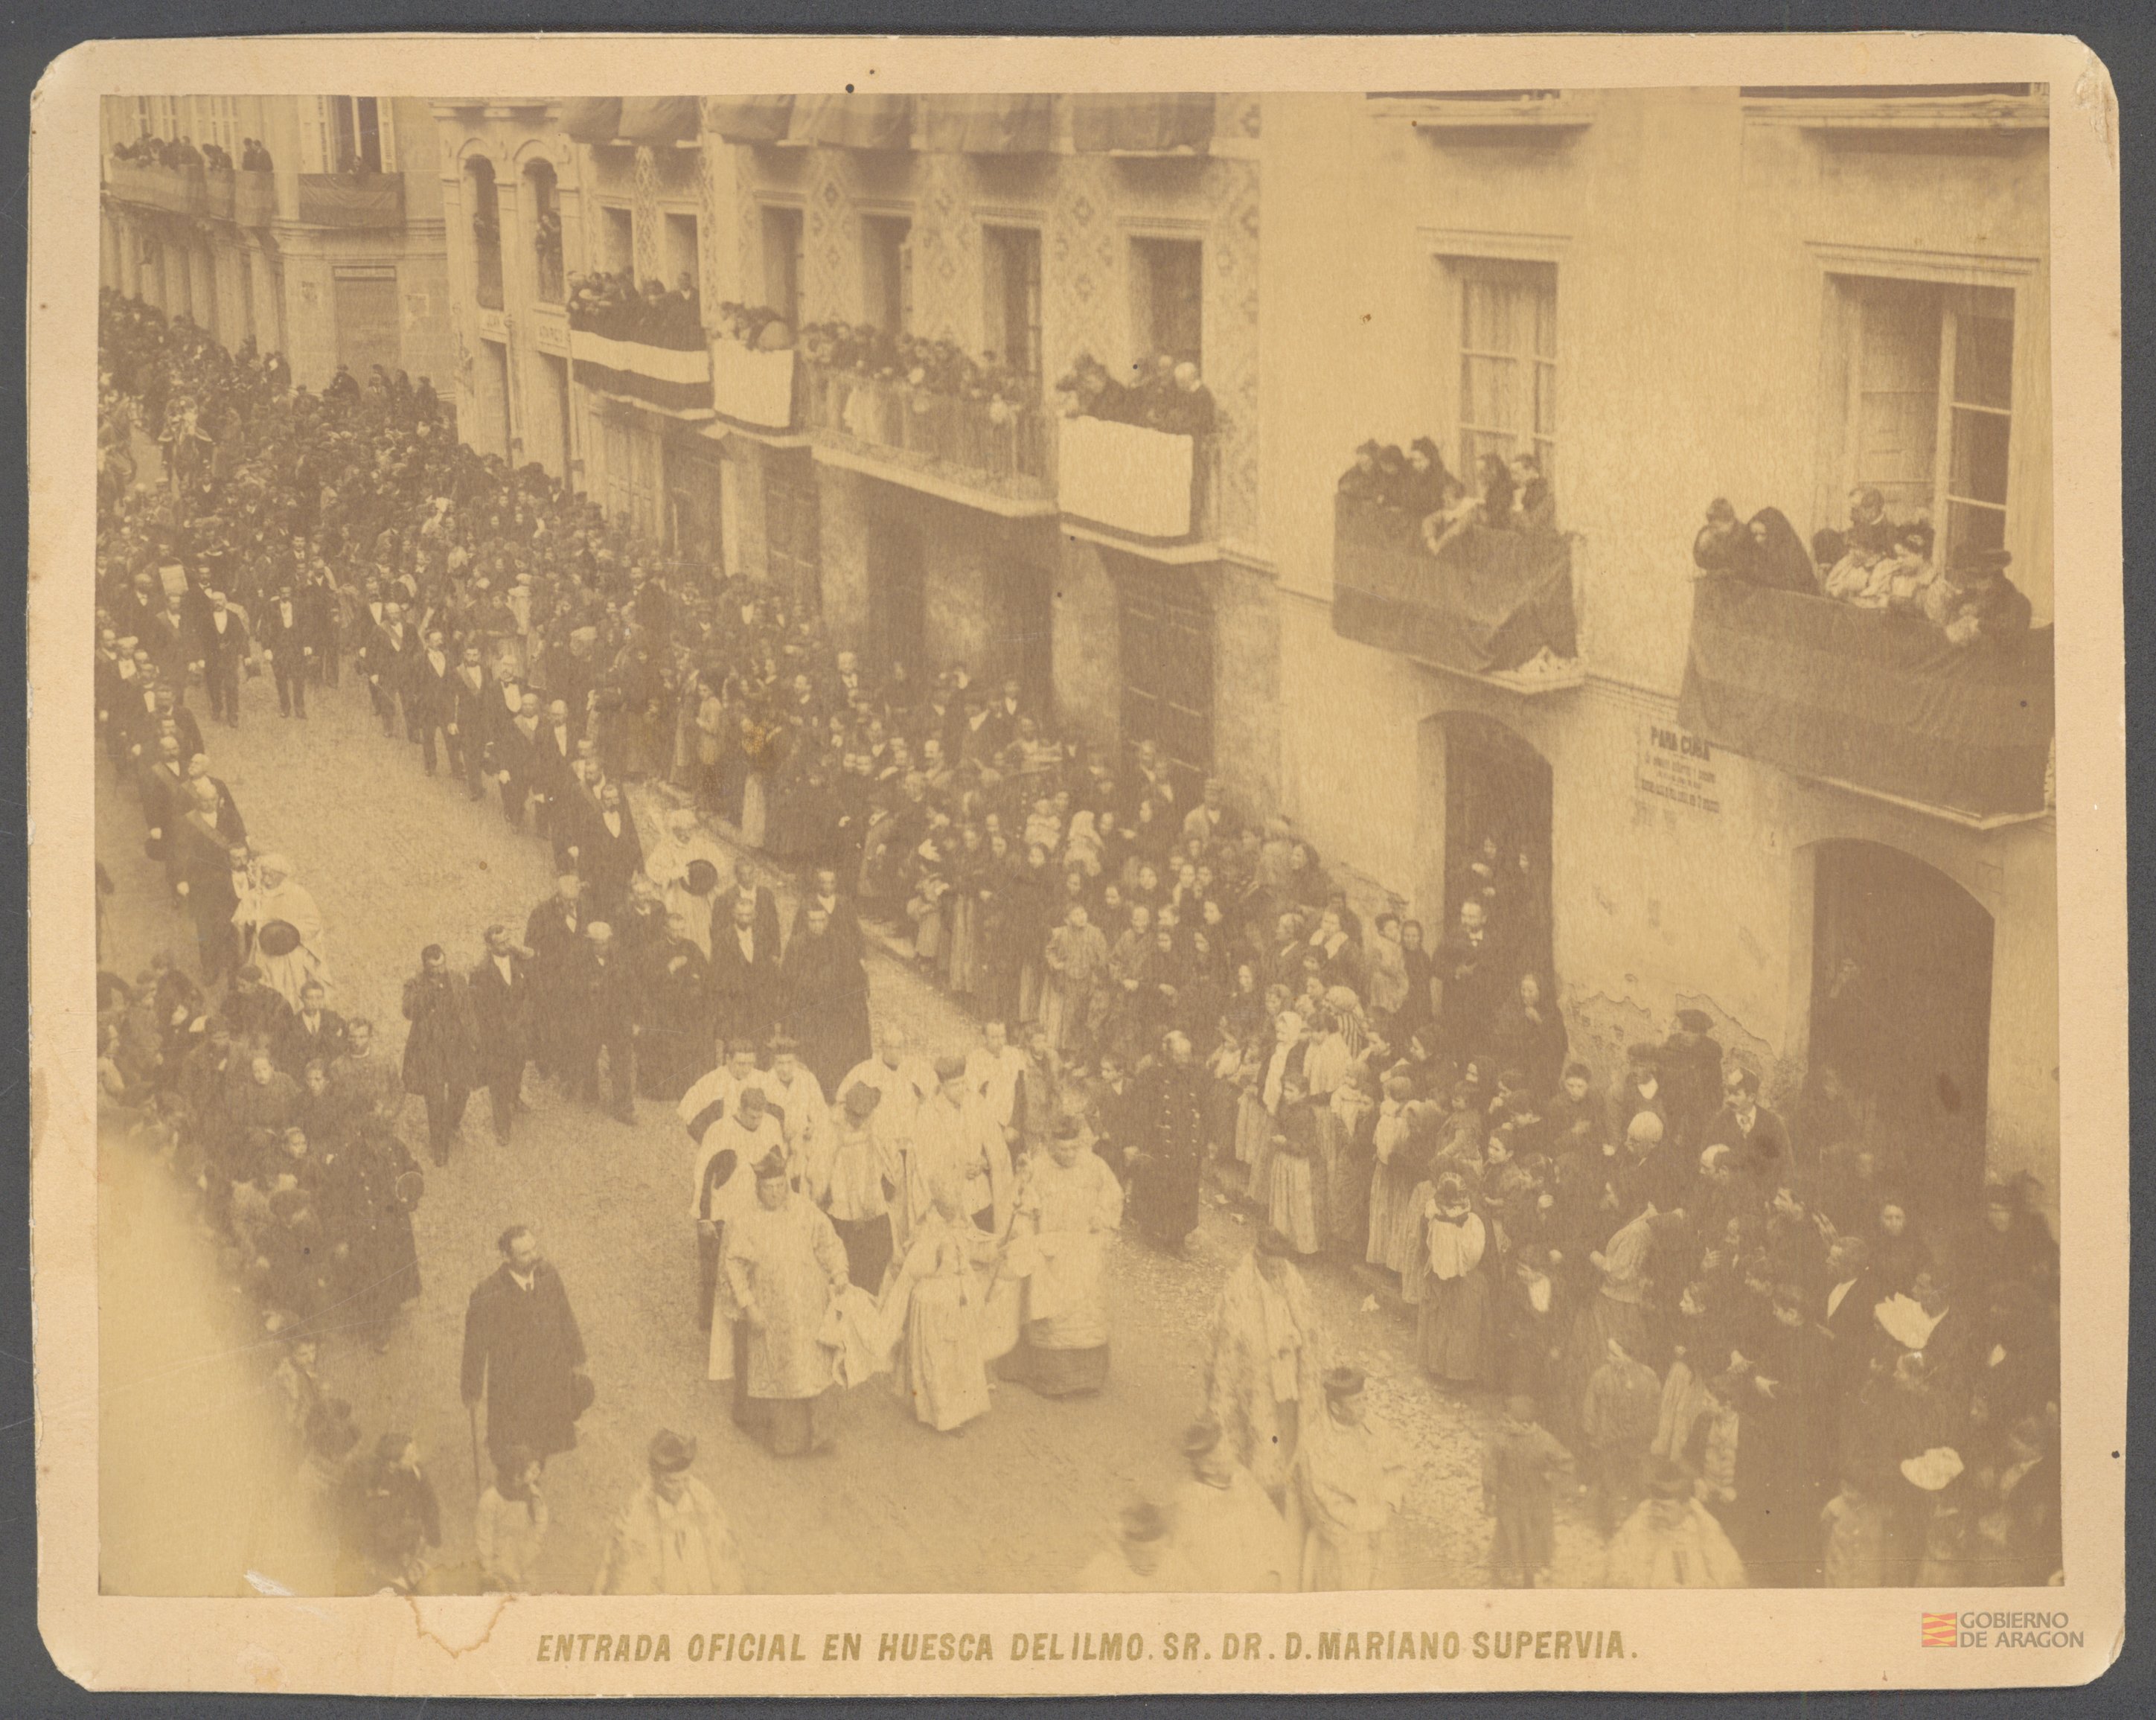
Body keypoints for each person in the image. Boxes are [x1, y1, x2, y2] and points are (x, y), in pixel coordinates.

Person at [720, 1148, 851, 1456]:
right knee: (784, 1375)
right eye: (769, 1188)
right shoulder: (746, 1222)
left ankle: (822, 1436)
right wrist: (749, 1306)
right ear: (758, 1189)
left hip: (810, 1309)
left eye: (780, 1186)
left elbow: (828, 1243)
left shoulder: (806, 1211)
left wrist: (839, 1272)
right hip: (773, 1314)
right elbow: (734, 1267)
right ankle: (789, 1441)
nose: (775, 1194)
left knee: (817, 1370)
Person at [1001, 1116, 1125, 1397]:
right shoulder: (1039, 1168)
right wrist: (1029, 1241)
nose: (1068, 1155)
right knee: (1051, 1314)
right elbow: (1023, 1211)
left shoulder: (1095, 1166)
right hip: (1049, 1252)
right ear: (1052, 1146)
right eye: (1062, 1149)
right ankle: (1053, 1377)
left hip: (1083, 1248)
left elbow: (1113, 1196)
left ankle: (1088, 1377)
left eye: (1073, 1149)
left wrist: (1101, 1222)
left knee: (1085, 1313)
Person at [459, 1225, 591, 1477]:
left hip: (550, 1376)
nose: (534, 1257)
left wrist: (577, 1357)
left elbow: (565, 1315)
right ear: (506, 1257)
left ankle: (535, 1472)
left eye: (534, 1249)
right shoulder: (487, 1294)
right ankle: (515, 1483)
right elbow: (474, 1346)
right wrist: (471, 1388)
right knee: (515, 1445)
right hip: (513, 1387)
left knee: (544, 1437)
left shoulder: (548, 1275)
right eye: (524, 1254)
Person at [1203, 1227, 1322, 1497]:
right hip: (1258, 1371)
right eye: (1271, 1266)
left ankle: (1286, 1472)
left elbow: (1307, 1321)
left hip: (1286, 1368)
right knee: (1259, 1424)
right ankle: (1260, 1478)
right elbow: (1233, 1332)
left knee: (1286, 1424)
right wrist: (1263, 1349)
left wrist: (1295, 1341)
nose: (1276, 1272)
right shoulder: (1240, 1285)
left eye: (1280, 1266)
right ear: (1259, 1257)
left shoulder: (1291, 1278)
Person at [1283, 1366, 1409, 1590]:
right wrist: (1367, 1524)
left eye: (1364, 1399)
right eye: (1356, 1402)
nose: (1364, 1407)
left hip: (1379, 1520)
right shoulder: (1315, 1443)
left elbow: (1397, 1466)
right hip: (1342, 1536)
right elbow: (1321, 1505)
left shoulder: (1373, 1425)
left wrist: (1389, 1502)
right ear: (1335, 1408)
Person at [892, 1180, 1000, 1435]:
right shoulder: (927, 1231)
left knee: (961, 1353)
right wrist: (941, 1261)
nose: (954, 1212)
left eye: (956, 1206)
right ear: (938, 1206)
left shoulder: (959, 1226)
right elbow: (915, 1268)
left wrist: (993, 1251)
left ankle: (963, 1408)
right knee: (938, 1357)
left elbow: (973, 1252)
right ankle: (943, 1415)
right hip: (934, 1300)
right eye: (948, 1207)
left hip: (956, 1297)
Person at [594, 1430, 746, 1595]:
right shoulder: (636, 1511)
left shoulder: (702, 1500)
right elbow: (629, 1572)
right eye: (672, 1482)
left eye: (685, 1480)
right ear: (656, 1478)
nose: (680, 1488)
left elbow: (723, 1552)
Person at [1169, 1419, 1291, 1592]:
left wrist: (1276, 1571)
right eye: (1222, 1451)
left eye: (1228, 1445)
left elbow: (1273, 1523)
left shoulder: (1241, 1477)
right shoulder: (1193, 1503)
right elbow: (1213, 1569)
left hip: (1274, 1578)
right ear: (1206, 1467)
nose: (1233, 1453)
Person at [1603, 1457, 1747, 1588]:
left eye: (1665, 1508)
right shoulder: (1639, 1524)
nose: (1658, 1513)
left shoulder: (1705, 1529)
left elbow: (1731, 1578)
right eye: (1655, 1505)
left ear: (1686, 1507)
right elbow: (1617, 1572)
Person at [1127, 1029, 1209, 1253]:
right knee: (1158, 1188)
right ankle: (1151, 1229)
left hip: (1187, 1143)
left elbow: (1205, 1108)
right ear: (1168, 1054)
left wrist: (1206, 1140)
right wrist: (1138, 1143)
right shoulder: (1151, 1076)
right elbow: (1140, 1112)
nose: (1184, 1060)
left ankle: (1177, 1238)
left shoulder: (1196, 1075)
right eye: (1179, 1055)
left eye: (1187, 1055)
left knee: (1184, 1191)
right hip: (1160, 1143)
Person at [1481, 1394, 1574, 1588]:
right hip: (1536, 1501)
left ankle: (1502, 1576)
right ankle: (1528, 1578)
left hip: (1510, 1500)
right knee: (1532, 1540)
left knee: (1508, 1538)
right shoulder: (1543, 1439)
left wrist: (1489, 1497)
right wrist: (1551, 1479)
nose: (1505, 1418)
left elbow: (1490, 1472)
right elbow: (1567, 1463)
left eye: (1509, 1415)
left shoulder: (1500, 1439)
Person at [400, 943, 477, 1166]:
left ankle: (451, 1123)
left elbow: (468, 1011)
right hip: (430, 1049)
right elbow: (408, 1011)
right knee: (434, 1099)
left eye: (442, 964)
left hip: (455, 1046)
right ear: (425, 966)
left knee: (461, 1089)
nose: (439, 970)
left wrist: (475, 1039)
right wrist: (428, 994)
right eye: (434, 967)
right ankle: (439, 1146)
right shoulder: (415, 984)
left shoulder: (457, 979)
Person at [469, 924, 535, 1144]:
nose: (506, 945)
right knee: (498, 1081)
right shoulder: (481, 972)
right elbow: (480, 1010)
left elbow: (528, 991)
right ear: (489, 946)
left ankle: (515, 1097)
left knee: (518, 1066)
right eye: (500, 943)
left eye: (508, 940)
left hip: (520, 1030)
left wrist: (523, 1020)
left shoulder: (518, 959)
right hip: (497, 1036)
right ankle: (503, 1127)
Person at [1075, 1501, 1200, 1594]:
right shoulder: (1098, 1572)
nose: (1151, 1560)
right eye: (1142, 1553)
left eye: (1157, 1551)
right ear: (1126, 1546)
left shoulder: (1177, 1565)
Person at [474, 1445, 550, 1593]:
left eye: (538, 1468)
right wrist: (486, 1565)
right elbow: (484, 1534)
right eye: (531, 1469)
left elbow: (542, 1518)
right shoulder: (491, 1498)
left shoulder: (533, 1494)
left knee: (528, 1592)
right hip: (500, 1558)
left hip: (525, 1556)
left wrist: (536, 1541)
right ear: (515, 1471)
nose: (536, 1472)